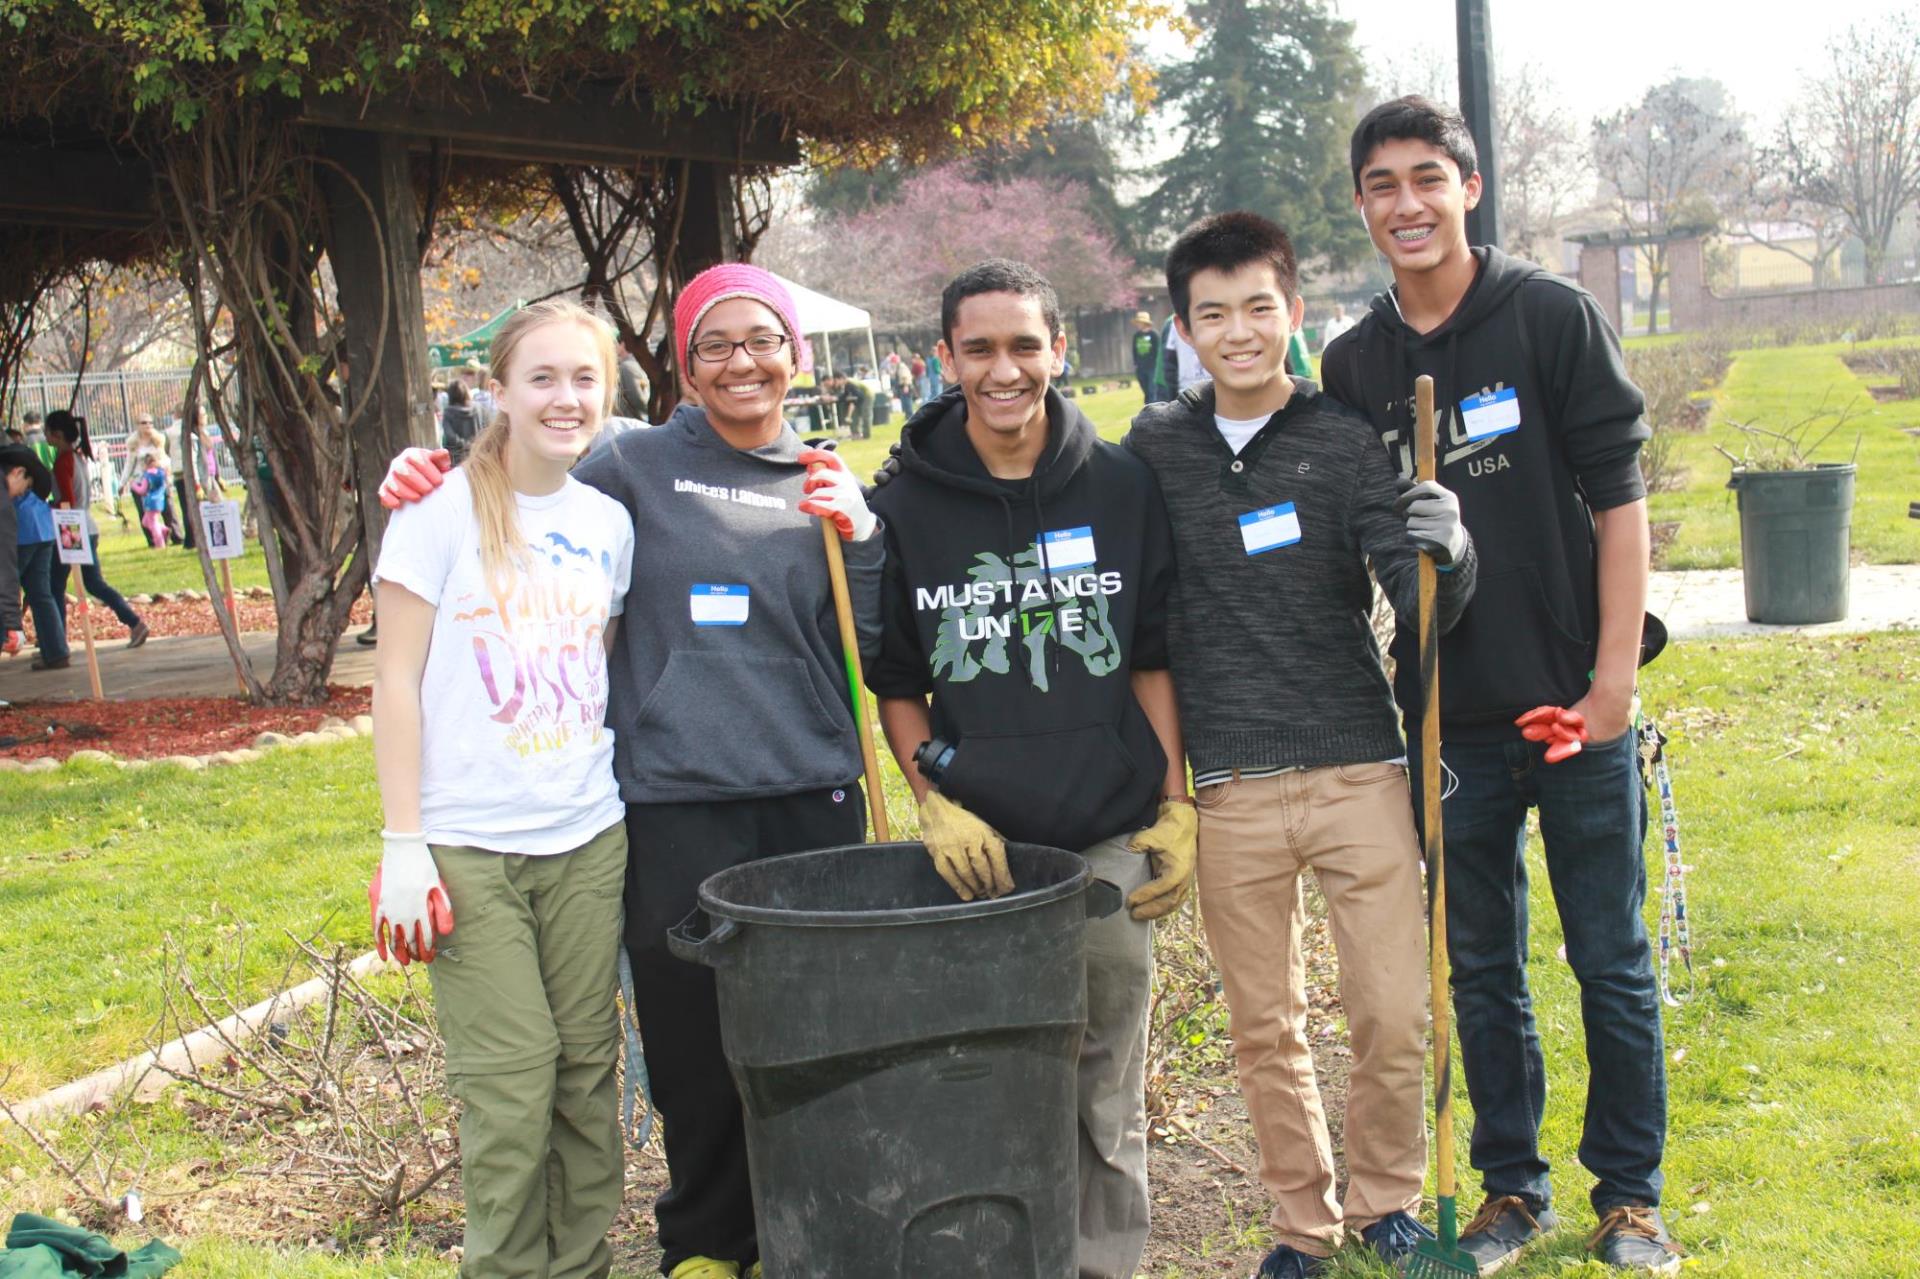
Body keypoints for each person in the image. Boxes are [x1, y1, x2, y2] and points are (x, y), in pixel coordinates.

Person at [379, 264, 881, 1279]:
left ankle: (813, 1238)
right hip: (671, 804)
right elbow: (521, 486)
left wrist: (865, 535)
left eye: (763, 339)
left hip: (805, 798)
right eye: (715, 344)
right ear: (684, 364)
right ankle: (704, 1244)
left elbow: (872, 641)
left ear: (797, 355)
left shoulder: (824, 484)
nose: (743, 360)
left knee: (816, 1039)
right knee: (691, 1052)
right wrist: (426, 468)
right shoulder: (633, 472)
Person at [1322, 96, 1674, 1275]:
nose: (1407, 203)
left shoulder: (1550, 319)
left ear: (1469, 187)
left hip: (1572, 710)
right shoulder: (1355, 362)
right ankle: (1509, 1192)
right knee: (1480, 970)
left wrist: (1613, 683)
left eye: (1429, 177)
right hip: (1449, 717)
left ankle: (1628, 1198)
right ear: (1362, 202)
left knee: (1607, 957)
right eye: (1383, 183)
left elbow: (1621, 504)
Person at [1125, 213, 1477, 1277]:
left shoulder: (1339, 440)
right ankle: (1301, 1225)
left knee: (1392, 1008)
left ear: (1294, 311)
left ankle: (1384, 1201)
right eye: (1215, 315)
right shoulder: (1152, 448)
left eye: (1260, 309)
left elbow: (1416, 601)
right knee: (1264, 1027)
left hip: (1356, 768)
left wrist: (1447, 551)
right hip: (1229, 783)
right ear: (1184, 328)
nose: (1240, 333)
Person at [864, 260, 1192, 1279]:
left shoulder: (1123, 487)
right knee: (985, 1072)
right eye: (979, 349)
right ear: (948, 359)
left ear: (1056, 347)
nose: (1003, 369)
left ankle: (1102, 1263)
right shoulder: (905, 503)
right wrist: (934, 800)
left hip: (1103, 830)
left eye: (1023, 345)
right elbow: (898, 680)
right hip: (980, 848)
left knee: (1104, 1073)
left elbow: (1150, 656)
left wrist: (1176, 806)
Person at [371, 299, 635, 1279]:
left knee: (584, 1076)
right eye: (543, 378)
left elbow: (590, 668)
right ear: (499, 390)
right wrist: (404, 844)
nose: (565, 398)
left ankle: (582, 1264)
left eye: (584, 380)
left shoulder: (608, 522)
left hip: (586, 838)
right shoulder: (434, 512)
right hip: (470, 847)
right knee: (512, 1082)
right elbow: (395, 680)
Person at [43, 411, 148, 648]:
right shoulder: (77, 457)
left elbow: (67, 500)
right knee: (91, 583)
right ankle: (133, 622)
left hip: (71, 527)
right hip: (85, 524)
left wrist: (49, 507)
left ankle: (56, 641)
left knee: (55, 585)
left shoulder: (64, 461)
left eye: (47, 432)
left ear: (56, 434)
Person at [4, 444, 68, 671]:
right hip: (43, 530)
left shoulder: (11, 488)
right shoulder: (29, 491)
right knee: (42, 594)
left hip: (24, 534)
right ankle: (57, 652)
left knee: (13, 588)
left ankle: (9, 639)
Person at [132, 451, 171, 549]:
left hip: (150, 501)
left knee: (153, 524)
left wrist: (134, 486)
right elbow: (167, 484)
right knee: (145, 522)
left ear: (145, 464)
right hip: (160, 500)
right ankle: (164, 529)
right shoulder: (161, 473)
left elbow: (142, 491)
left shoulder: (147, 475)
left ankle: (160, 544)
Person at [438, 380, 482, 463]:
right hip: (475, 453)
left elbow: (450, 435)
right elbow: (480, 429)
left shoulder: (448, 412)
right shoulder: (475, 409)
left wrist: (462, 444)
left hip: (456, 456)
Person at [1130, 310, 1161, 404]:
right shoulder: (1136, 336)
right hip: (1140, 368)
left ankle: (1153, 410)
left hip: (1152, 367)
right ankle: (1147, 409)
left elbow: (1159, 351)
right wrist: (1135, 363)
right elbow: (1134, 350)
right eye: (1137, 322)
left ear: (1145, 323)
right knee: (1146, 391)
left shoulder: (1154, 335)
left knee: (1152, 391)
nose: (1138, 324)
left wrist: (1158, 365)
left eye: (1140, 322)